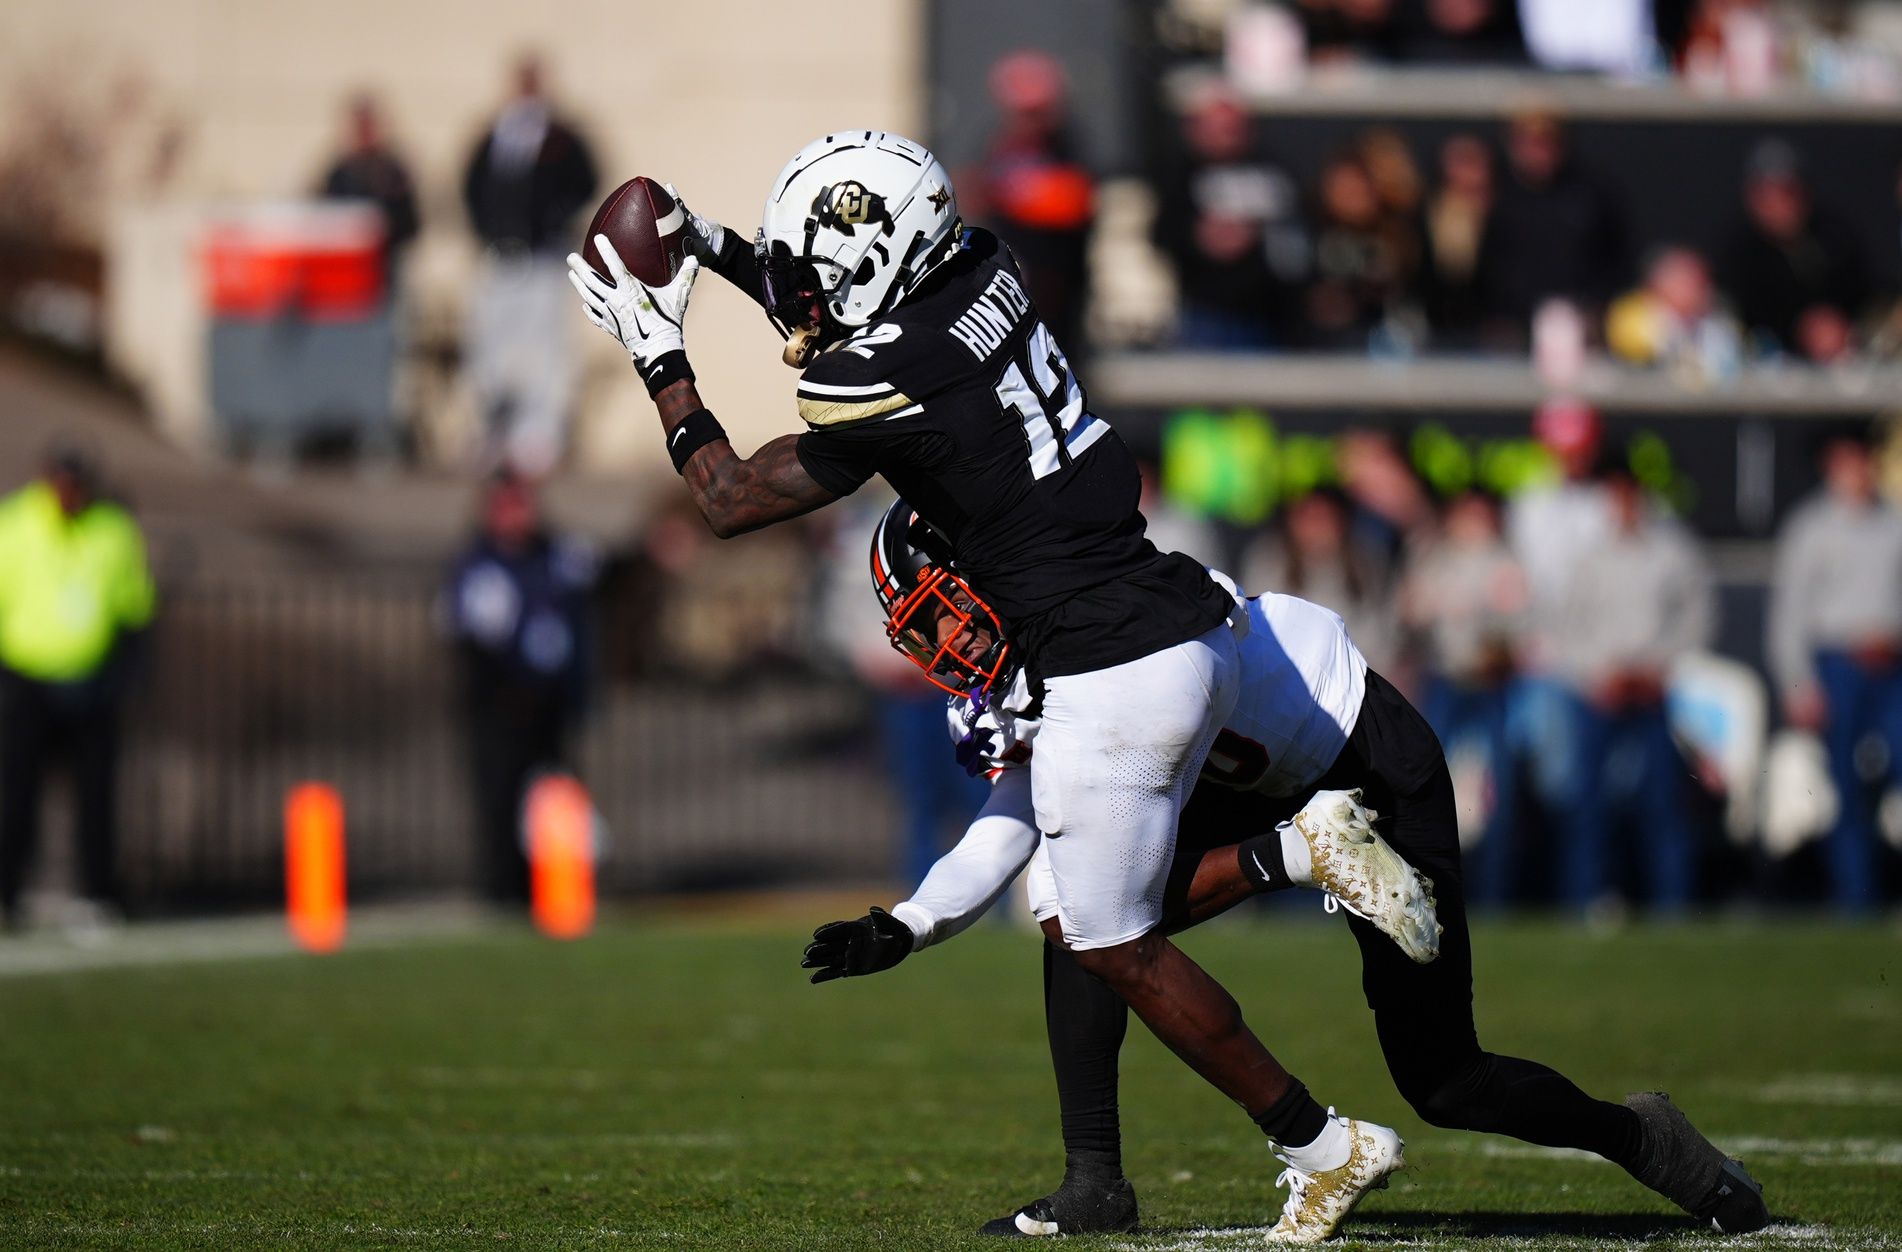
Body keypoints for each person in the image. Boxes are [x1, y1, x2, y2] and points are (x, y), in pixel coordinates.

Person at [568, 130, 1406, 1242]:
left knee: (1113, 942)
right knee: (1070, 909)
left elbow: (726, 498)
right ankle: (1098, 1176)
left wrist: (656, 351)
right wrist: (700, 238)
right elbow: (830, 287)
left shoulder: (879, 373)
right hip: (1171, 608)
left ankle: (1319, 1137)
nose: (803, 299)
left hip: (1109, 661)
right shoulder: (983, 263)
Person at [801, 502, 1769, 1239]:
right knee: (1083, 914)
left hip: (1363, 755)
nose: (941, 643)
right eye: (920, 626)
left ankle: (1642, 1140)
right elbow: (1018, 808)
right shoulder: (1037, 659)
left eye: (941, 612)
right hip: (1255, 777)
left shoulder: (1110, 607)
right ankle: (1095, 1178)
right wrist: (912, 921)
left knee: (1446, 1080)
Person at [0, 446, 155, 931]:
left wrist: (122, 676)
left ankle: (99, 893)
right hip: (26, 681)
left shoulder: (113, 530)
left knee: (96, 798)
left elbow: (134, 607)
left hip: (92, 683)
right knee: (16, 796)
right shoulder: (14, 525)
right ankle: (7, 892)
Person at [1553, 460, 1715, 913]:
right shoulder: (1589, 558)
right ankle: (1587, 898)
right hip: (1600, 692)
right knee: (1590, 801)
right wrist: (1598, 674)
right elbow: (1566, 629)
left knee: (1665, 797)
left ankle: (1672, 901)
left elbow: (1697, 617)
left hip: (1654, 690)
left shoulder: (1673, 552)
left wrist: (1658, 668)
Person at [441, 471, 594, 908]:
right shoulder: (478, 567)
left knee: (555, 794)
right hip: (501, 708)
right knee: (501, 797)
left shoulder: (556, 555)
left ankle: (555, 887)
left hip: (551, 704)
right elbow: (472, 642)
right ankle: (504, 893)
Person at [1767, 432, 1902, 911]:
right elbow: (1789, 615)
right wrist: (1800, 686)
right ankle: (1855, 896)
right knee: (1844, 784)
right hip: (1839, 663)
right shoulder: (1810, 528)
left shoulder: (1892, 523)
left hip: (1891, 668)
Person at [462, 53, 599, 475]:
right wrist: (485, 228)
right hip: (500, 258)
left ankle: (538, 437)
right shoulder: (496, 135)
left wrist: (555, 216)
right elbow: (470, 184)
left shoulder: (560, 137)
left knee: (544, 349)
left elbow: (586, 180)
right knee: (490, 349)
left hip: (543, 258)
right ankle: (492, 431)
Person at [1399, 488, 1527, 905]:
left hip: (1493, 687)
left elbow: (1520, 623)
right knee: (1426, 784)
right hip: (1446, 680)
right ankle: (1430, 891)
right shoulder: (1434, 559)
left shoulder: (1507, 562)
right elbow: (1412, 613)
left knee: (1500, 790)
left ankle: (1495, 896)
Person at [1153, 83, 1308, 350]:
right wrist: (1201, 237)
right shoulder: (1179, 175)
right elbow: (1162, 235)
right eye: (1217, 128)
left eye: (1232, 128)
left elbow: (1298, 233)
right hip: (1206, 314)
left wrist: (1256, 235)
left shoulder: (1274, 173)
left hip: (1270, 314)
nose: (1226, 136)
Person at [962, 52, 1096, 360]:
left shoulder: (1065, 147)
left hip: (1056, 294)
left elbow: (1071, 205)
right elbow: (977, 195)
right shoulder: (998, 145)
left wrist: (1014, 194)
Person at [1474, 110, 1628, 345]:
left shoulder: (1589, 194)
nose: (1537, 152)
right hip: (1507, 333)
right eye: (1527, 142)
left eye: (1545, 142)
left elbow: (1615, 261)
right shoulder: (1492, 195)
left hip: (1578, 328)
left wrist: (1594, 311)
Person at [1723, 139, 1868, 363]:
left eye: (1788, 192)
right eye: (1768, 194)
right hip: (1766, 371)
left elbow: (1863, 295)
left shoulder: (1834, 237)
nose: (1779, 204)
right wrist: (1798, 329)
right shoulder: (1738, 254)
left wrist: (1837, 325)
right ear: (1752, 197)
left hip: (1846, 363)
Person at [317, 92, 420, 274]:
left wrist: (381, 227)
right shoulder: (339, 173)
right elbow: (324, 218)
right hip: (347, 270)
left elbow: (411, 223)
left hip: (385, 268)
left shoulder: (393, 172)